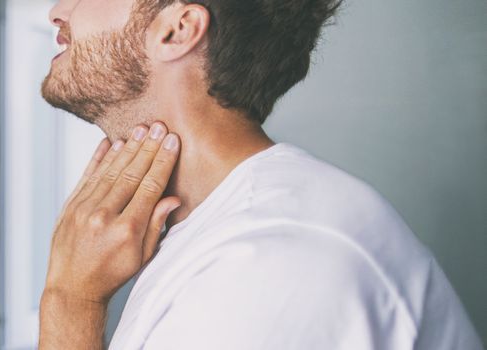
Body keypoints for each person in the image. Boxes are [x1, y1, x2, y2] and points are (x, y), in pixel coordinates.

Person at [37, 0, 483, 349]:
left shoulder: (278, 258)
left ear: (178, 30)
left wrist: (71, 303)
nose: (57, 11)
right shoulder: (225, 234)